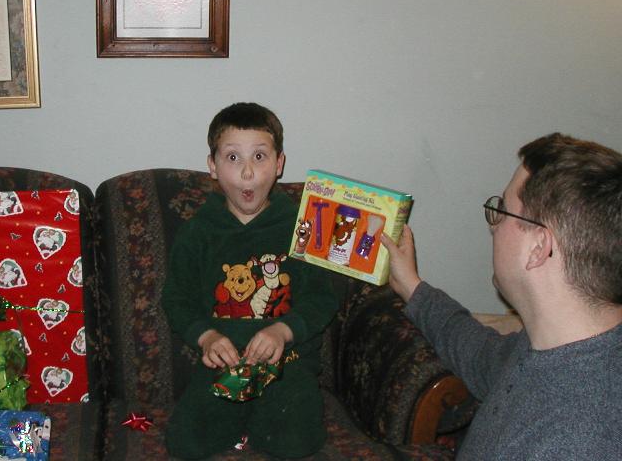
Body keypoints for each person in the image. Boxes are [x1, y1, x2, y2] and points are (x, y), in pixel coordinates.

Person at [381, 133, 622, 460]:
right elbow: (483, 356)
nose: (494, 225)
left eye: (504, 210)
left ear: (538, 247)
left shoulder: (574, 440)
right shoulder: (555, 344)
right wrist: (411, 286)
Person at [161, 102, 338, 459]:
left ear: (279, 163)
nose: (247, 173)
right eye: (232, 158)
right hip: (223, 364)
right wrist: (206, 337)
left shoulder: (303, 226)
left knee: (295, 445)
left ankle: (260, 421)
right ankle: (241, 420)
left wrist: (283, 331)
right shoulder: (198, 233)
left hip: (287, 363)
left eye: (259, 156)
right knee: (184, 444)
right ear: (212, 166)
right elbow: (176, 299)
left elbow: (323, 296)